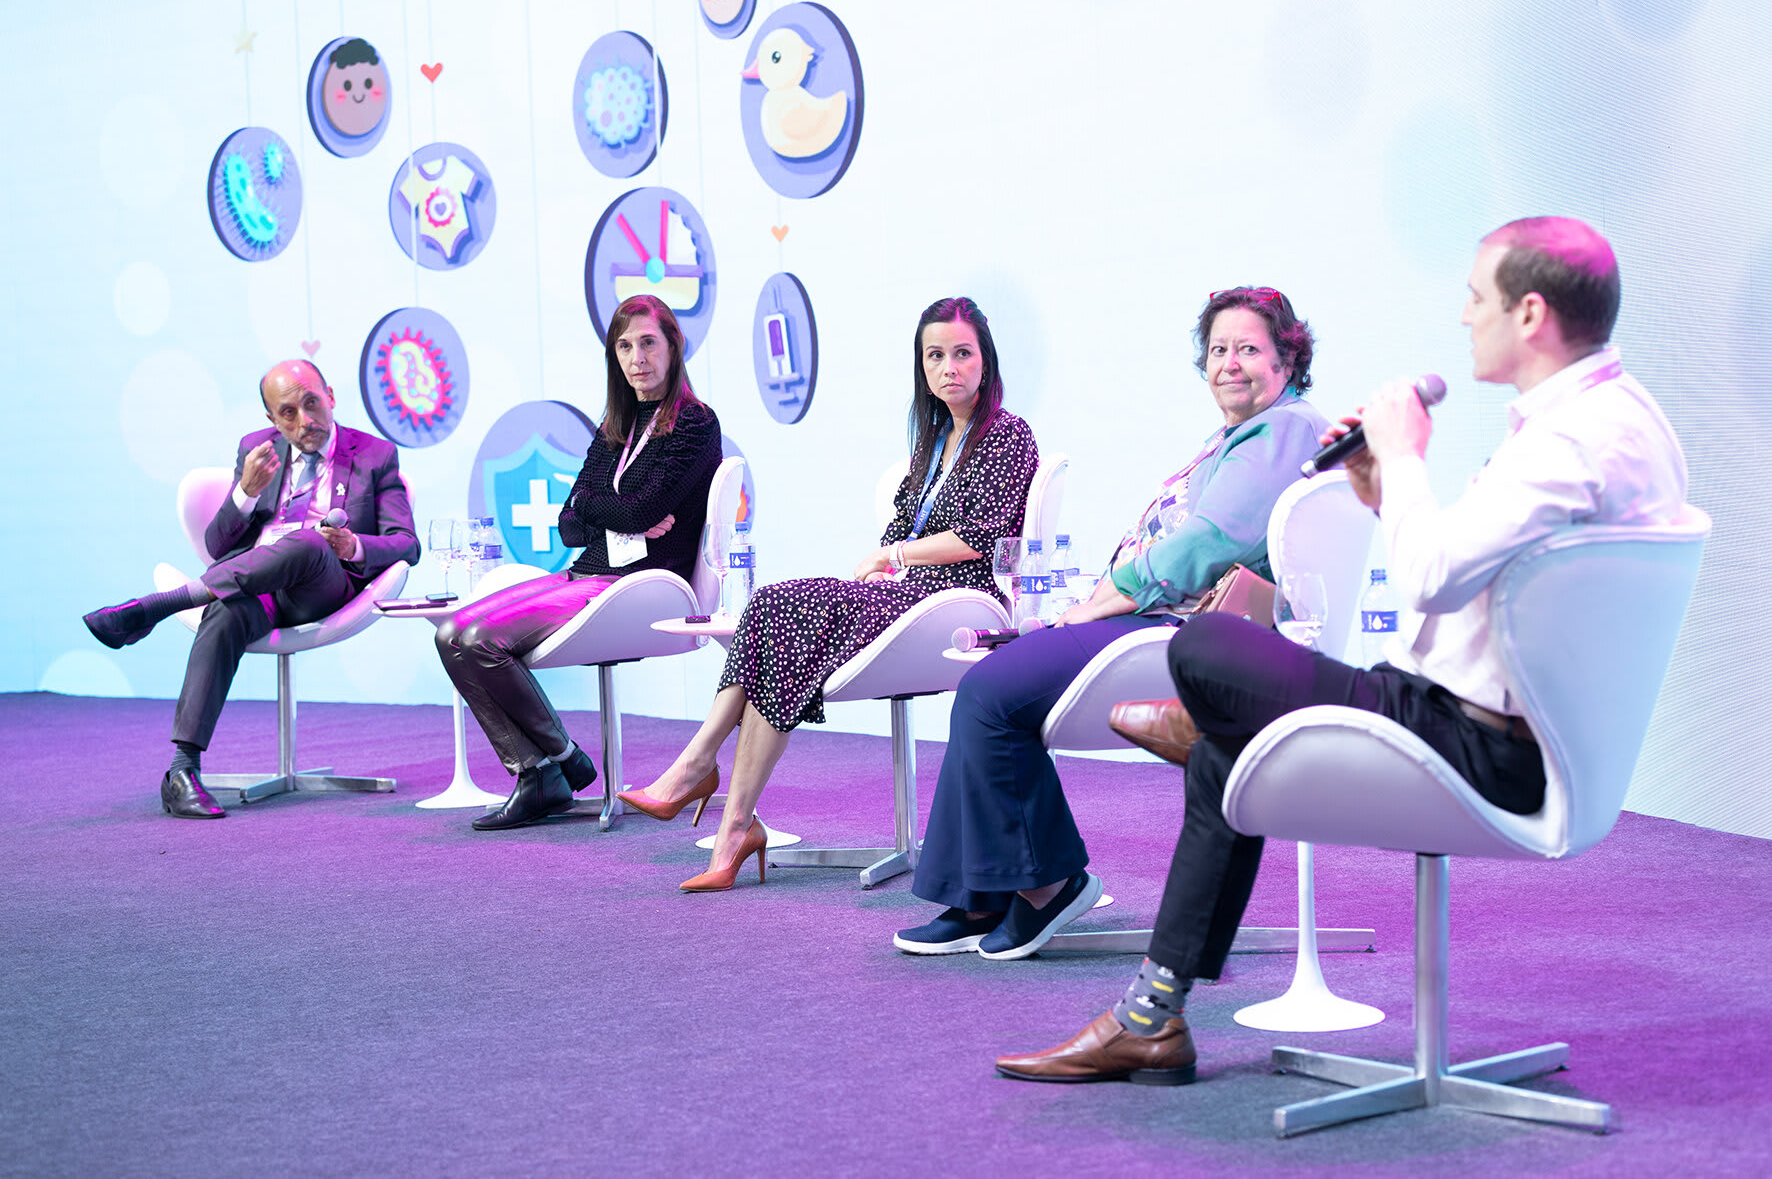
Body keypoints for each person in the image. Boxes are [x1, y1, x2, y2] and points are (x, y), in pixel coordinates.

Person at [994, 217, 1689, 1086]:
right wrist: (1380, 487)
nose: (1464, 314)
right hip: (1472, 716)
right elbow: (1478, 565)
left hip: (1479, 742)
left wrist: (1403, 458)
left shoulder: (1569, 443)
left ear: (1531, 314)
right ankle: (1151, 1017)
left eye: (1477, 297)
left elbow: (1431, 577)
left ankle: (1212, 729)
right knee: (1221, 755)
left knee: (1206, 646)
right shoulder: (1617, 419)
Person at [893, 287, 1331, 961]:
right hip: (1163, 619)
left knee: (989, 691)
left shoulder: (1285, 429)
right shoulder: (1248, 433)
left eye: (1248, 348)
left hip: (1184, 636)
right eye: (1218, 349)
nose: (1229, 363)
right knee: (991, 681)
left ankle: (1047, 884)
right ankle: (981, 892)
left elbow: (1209, 541)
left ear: (1288, 357)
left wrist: (1108, 596)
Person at [619, 296, 1040, 892]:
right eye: (934, 356)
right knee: (773, 606)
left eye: (962, 354)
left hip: (958, 600)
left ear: (986, 360)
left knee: (784, 611)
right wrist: (891, 557)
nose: (948, 368)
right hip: (905, 593)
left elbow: (980, 537)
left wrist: (892, 557)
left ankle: (699, 772)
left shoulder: (1008, 434)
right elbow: (902, 528)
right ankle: (731, 821)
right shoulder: (935, 438)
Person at [82, 359, 420, 819]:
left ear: (331, 396)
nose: (306, 420)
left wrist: (353, 545)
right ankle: (182, 772)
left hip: (323, 586)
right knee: (224, 609)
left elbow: (406, 542)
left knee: (307, 541)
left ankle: (159, 607)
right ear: (272, 419)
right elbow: (218, 547)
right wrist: (244, 492)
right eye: (289, 413)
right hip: (257, 587)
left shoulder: (375, 454)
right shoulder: (256, 449)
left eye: (312, 403)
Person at [435, 294, 721, 831]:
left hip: (641, 585)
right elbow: (569, 523)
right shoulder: (617, 424)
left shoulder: (695, 424)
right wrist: (615, 514)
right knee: (451, 633)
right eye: (625, 346)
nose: (637, 358)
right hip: (587, 573)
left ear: (673, 346)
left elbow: (635, 510)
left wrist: (605, 509)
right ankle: (549, 765)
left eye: (648, 343)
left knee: (480, 640)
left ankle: (550, 768)